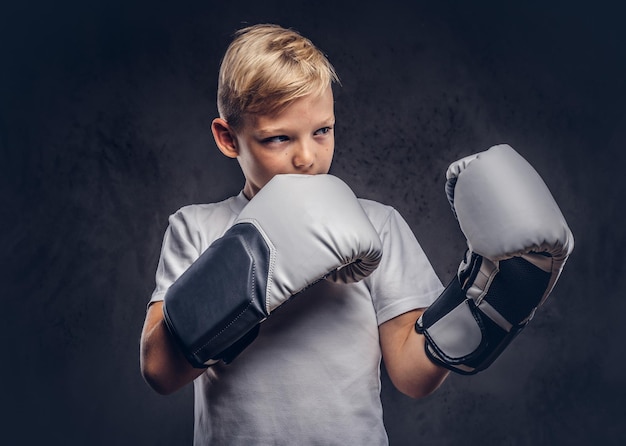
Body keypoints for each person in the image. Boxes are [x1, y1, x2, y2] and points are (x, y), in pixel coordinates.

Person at [140, 23, 573, 445]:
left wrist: (493, 299)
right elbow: (160, 371)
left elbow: (411, 375)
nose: (306, 157)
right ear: (228, 137)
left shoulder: (377, 224)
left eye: (322, 131)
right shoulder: (196, 226)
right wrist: (240, 272)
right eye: (277, 138)